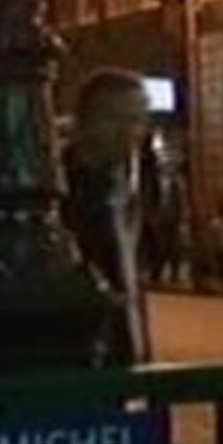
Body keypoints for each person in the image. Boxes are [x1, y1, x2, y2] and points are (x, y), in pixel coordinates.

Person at [61, 69, 158, 366]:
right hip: (79, 351)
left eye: (136, 119)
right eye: (112, 119)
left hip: (120, 347)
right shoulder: (60, 186)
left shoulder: (134, 181)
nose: (127, 132)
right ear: (83, 123)